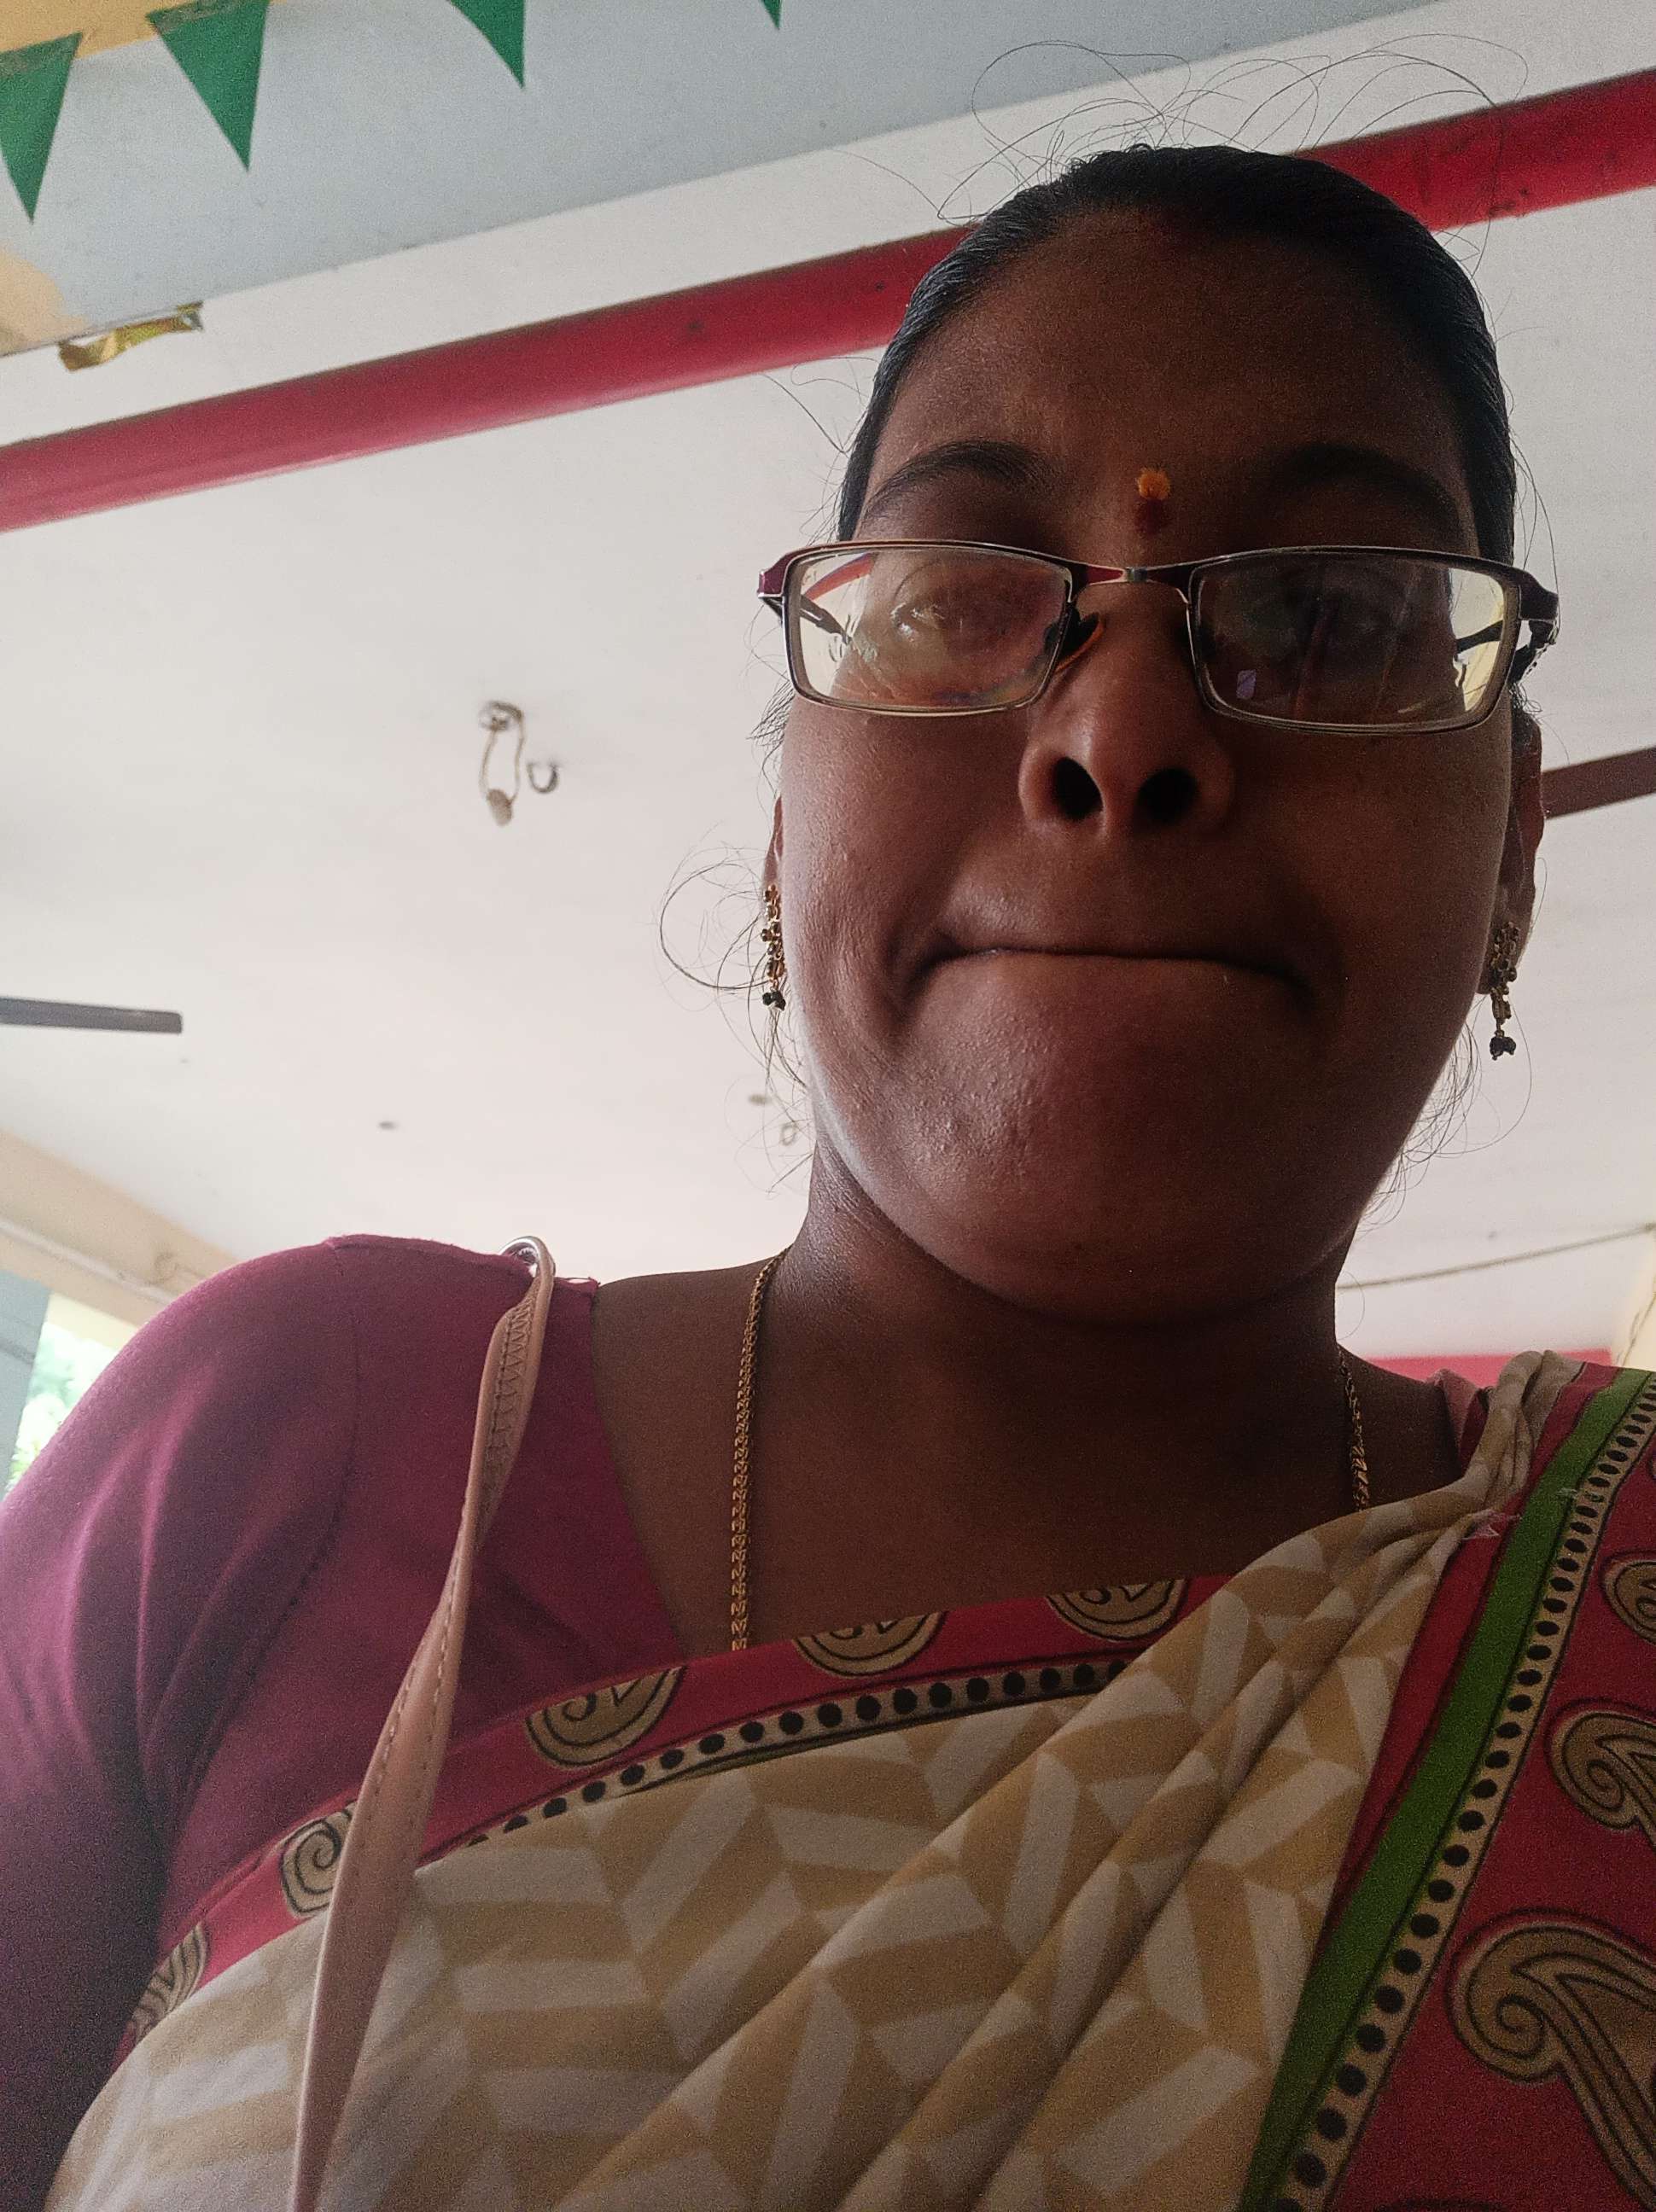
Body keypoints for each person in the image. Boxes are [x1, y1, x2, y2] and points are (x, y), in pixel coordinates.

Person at [5, 142, 1652, 2212]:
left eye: (1330, 616)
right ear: (792, 821)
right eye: (966, 598)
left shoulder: (1616, 1596)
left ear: (1509, 851)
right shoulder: (289, 1440)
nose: (1118, 732)